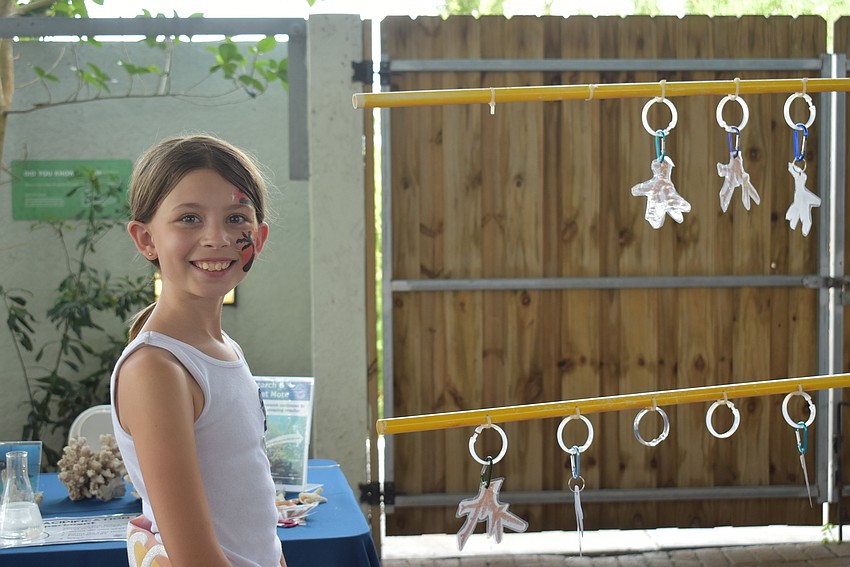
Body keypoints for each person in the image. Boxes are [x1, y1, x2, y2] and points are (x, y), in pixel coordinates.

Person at [110, 134, 286, 567]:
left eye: (235, 218)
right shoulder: (156, 369)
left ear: (258, 238)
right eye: (189, 218)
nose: (216, 238)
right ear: (146, 239)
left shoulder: (224, 349)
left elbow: (259, 530)